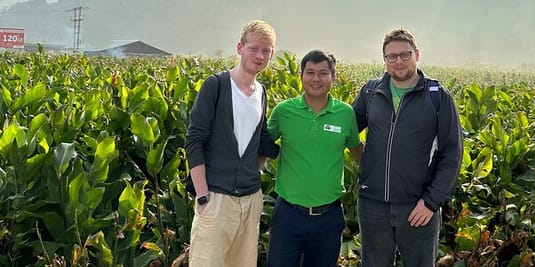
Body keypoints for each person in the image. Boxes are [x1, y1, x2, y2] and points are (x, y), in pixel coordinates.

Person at [352, 28, 463, 267]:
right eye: (392, 56)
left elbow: (452, 154)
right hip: (373, 205)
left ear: (417, 54)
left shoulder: (437, 97)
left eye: (405, 54)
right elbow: (346, 131)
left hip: (418, 206)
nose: (398, 61)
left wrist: (431, 202)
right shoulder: (371, 92)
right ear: (384, 60)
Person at [185, 20, 280, 266]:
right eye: (254, 48)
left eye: (266, 50)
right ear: (240, 48)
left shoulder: (261, 92)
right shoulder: (215, 85)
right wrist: (203, 195)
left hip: (250, 199)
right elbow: (194, 140)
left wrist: (253, 175)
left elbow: (259, 142)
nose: (259, 56)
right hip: (216, 198)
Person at [267, 49, 363, 267]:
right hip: (288, 215)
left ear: (333, 78)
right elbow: (261, 145)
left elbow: (357, 150)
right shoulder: (283, 111)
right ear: (300, 76)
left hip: (329, 217)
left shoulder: (345, 113)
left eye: (323, 73)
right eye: (310, 72)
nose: (316, 79)